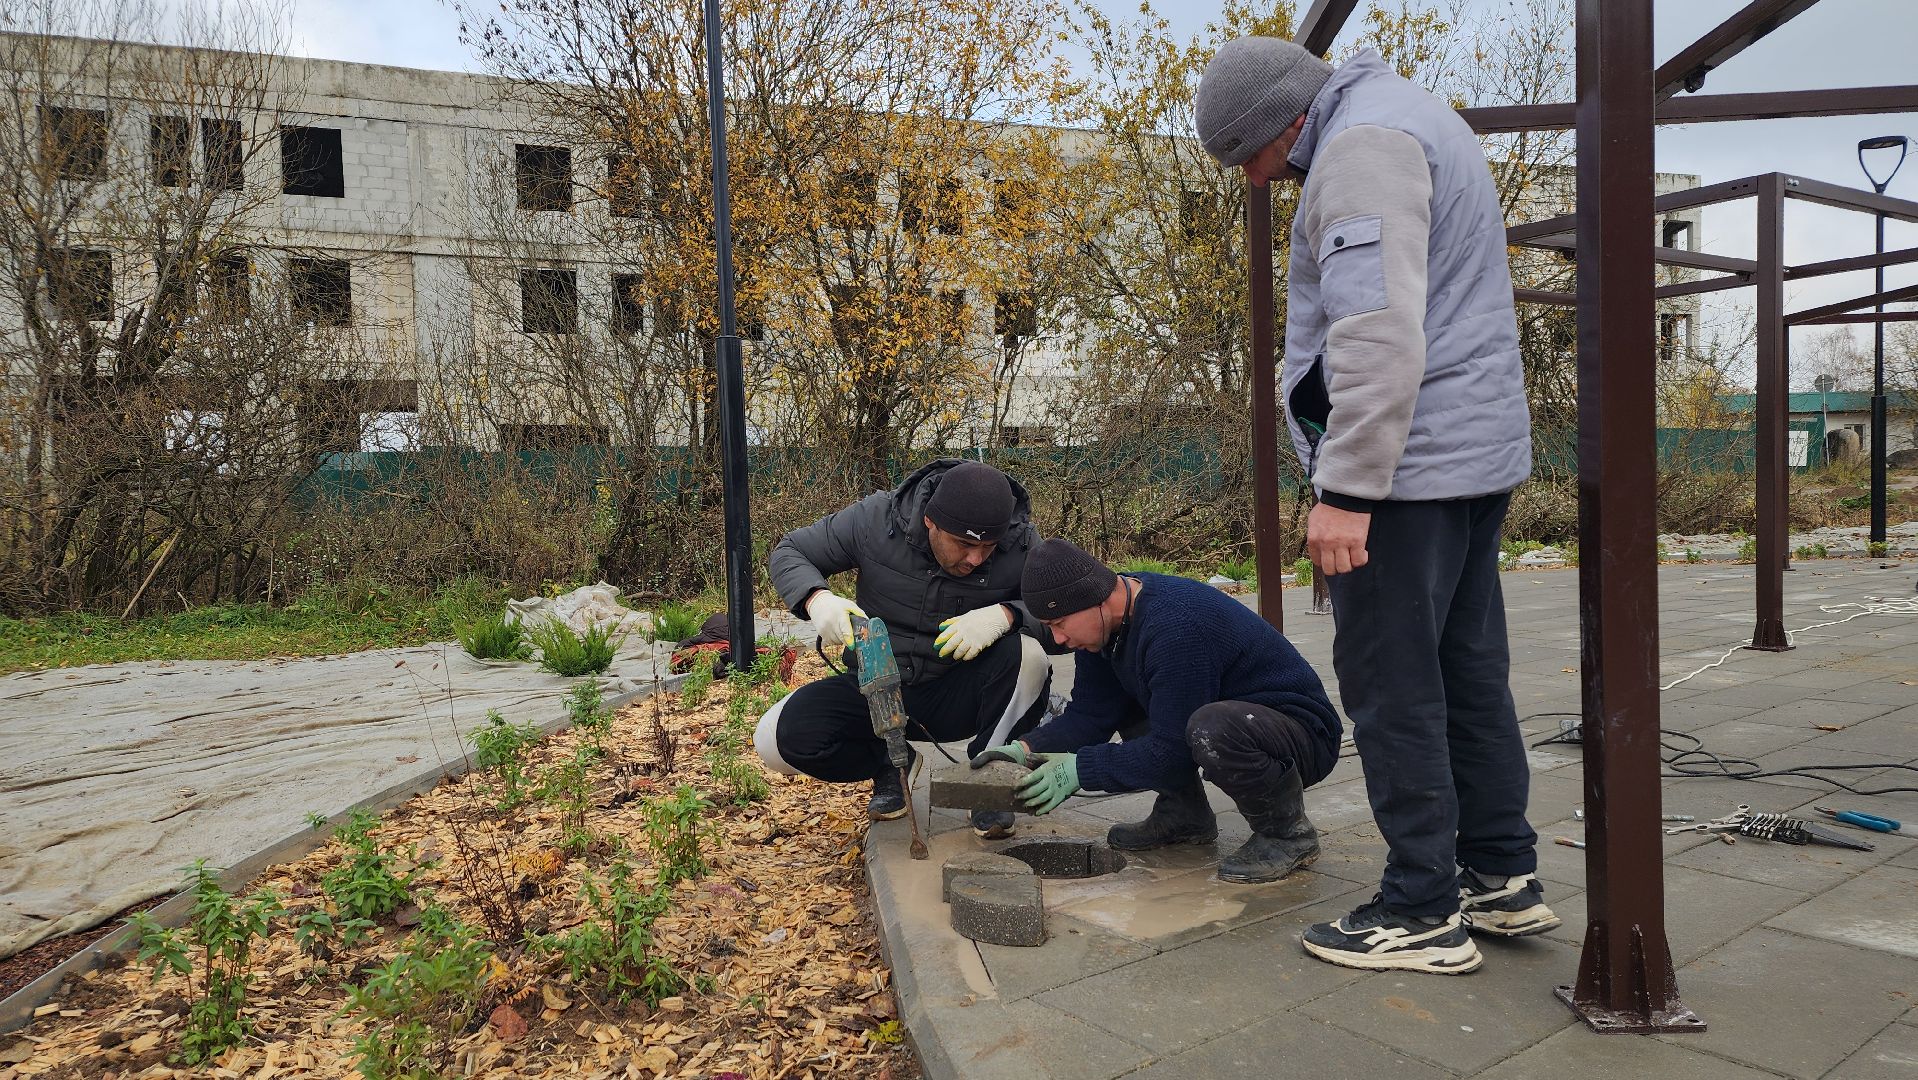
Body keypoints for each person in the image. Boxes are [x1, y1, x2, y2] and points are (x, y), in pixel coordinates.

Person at [1195, 37, 1556, 973]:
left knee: (1394, 691)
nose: (1254, 182)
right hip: (1465, 465)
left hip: (1403, 475)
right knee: (1469, 676)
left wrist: (1346, 490)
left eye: (1248, 160)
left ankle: (1422, 908)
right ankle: (1500, 875)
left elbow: (1376, 330)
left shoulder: (1359, 151)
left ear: (1280, 125)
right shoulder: (1421, 116)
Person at [972, 539, 1341, 884]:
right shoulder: (1107, 628)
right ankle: (1184, 815)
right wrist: (1024, 749)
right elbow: (1090, 715)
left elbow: (1171, 755)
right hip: (1241, 723)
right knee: (1137, 700)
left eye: (1059, 625)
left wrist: (1080, 769)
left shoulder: (1174, 626)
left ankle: (1288, 834)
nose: (1059, 640)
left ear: (1092, 599)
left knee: (1208, 728)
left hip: (1300, 734)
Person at [755, 459, 1051, 838]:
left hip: (959, 691)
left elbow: (1062, 614)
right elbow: (790, 550)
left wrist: (1007, 615)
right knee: (774, 739)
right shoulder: (876, 519)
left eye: (988, 547)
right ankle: (892, 766)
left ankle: (989, 781)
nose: (976, 558)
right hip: (877, 686)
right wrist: (816, 598)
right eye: (964, 544)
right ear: (930, 520)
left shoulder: (1021, 541)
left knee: (1030, 657)